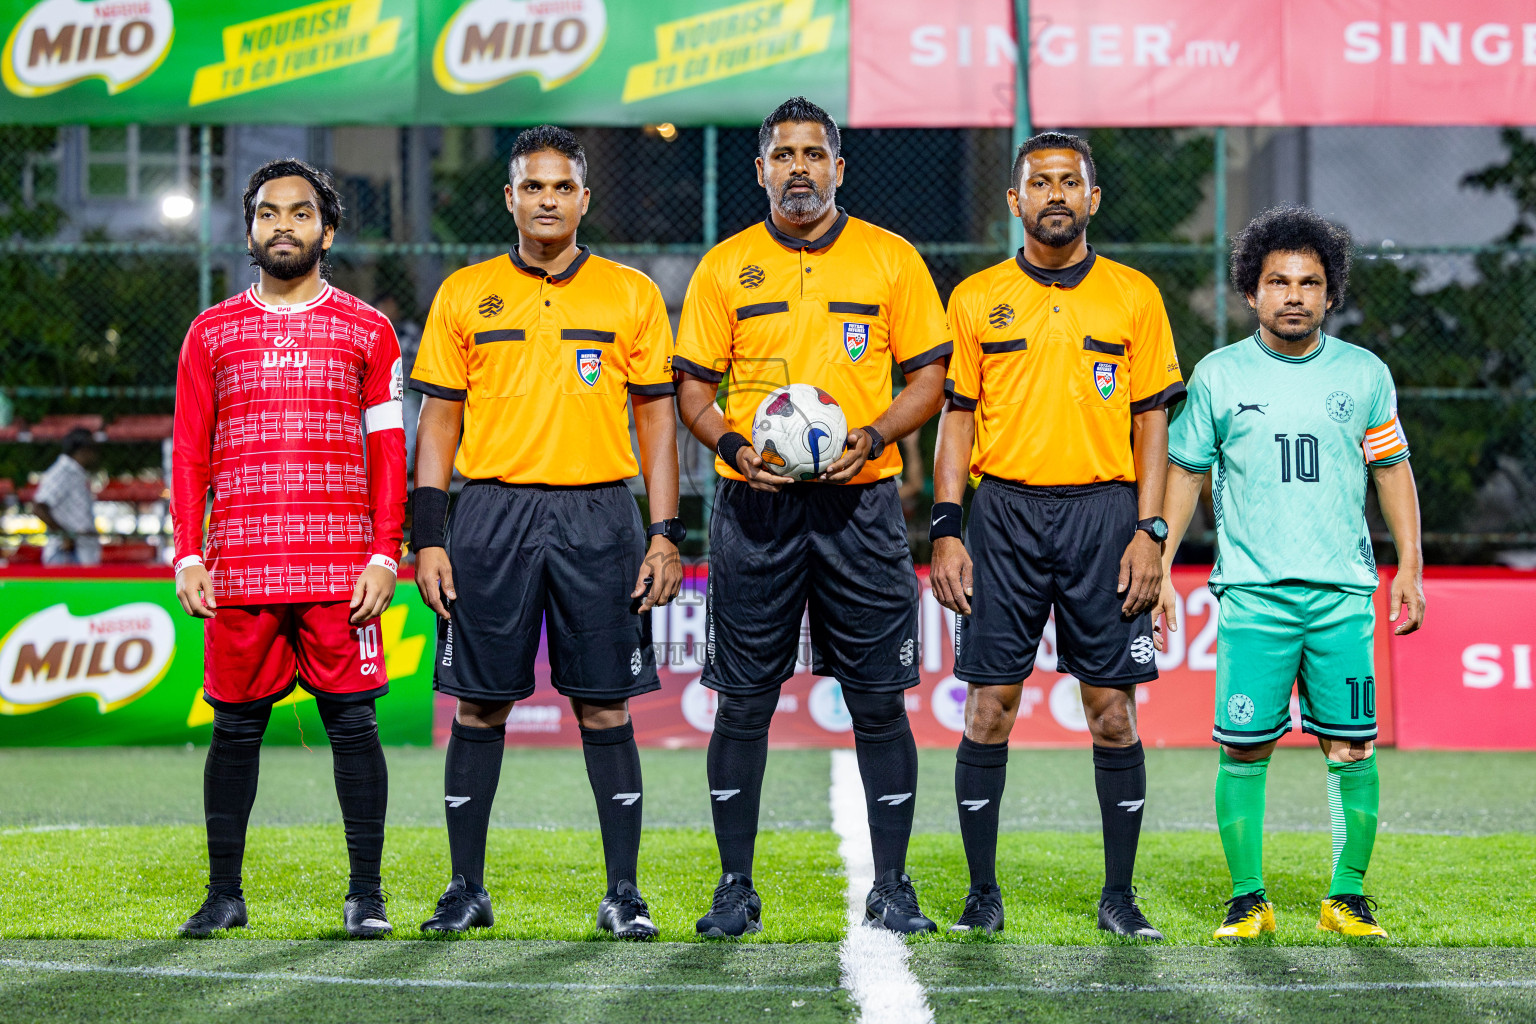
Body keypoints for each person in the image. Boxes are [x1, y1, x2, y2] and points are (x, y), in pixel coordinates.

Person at [674, 97, 951, 937]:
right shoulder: (725, 267)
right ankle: (734, 888)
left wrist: (870, 434)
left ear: (839, 167)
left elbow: (929, 381)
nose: (799, 168)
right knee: (744, 703)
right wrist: (730, 442)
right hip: (755, 506)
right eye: (783, 155)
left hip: (859, 507)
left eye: (813, 154)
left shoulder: (891, 259)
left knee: (877, 700)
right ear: (759, 171)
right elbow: (691, 391)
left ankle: (893, 885)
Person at [408, 125, 683, 940]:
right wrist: (429, 537)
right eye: (534, 187)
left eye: (563, 187)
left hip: (601, 515)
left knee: (605, 708)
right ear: (511, 198)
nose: (548, 200)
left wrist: (663, 532)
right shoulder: (465, 292)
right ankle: (465, 889)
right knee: (480, 708)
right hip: (489, 516)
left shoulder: (629, 294)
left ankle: (624, 893)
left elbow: (659, 425)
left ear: (584, 198)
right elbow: (437, 424)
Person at [931, 132, 1186, 939]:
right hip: (1003, 515)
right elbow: (956, 420)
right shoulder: (975, 297)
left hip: (1106, 518)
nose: (1054, 193)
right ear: (1015, 202)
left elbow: (1154, 422)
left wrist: (1151, 532)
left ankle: (1120, 897)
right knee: (989, 710)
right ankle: (982, 895)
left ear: (1093, 199)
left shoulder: (1135, 296)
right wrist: (947, 529)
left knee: (1112, 711)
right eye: (1038, 181)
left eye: (1069, 182)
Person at [1155, 206, 1425, 940]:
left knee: (1353, 746)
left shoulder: (1365, 375)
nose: (1295, 295)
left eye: (1310, 281)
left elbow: (1393, 472)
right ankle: (1248, 899)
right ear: (1252, 291)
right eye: (1278, 281)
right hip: (1253, 596)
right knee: (1243, 746)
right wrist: (1160, 564)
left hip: (1342, 597)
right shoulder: (1219, 375)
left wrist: (1412, 567)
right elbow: (1184, 475)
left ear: (1330, 293)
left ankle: (1346, 897)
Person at [170, 159, 407, 938]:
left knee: (354, 728)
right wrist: (187, 552)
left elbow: (387, 455)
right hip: (239, 564)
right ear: (249, 231)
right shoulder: (210, 332)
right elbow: (190, 454)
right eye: (267, 213)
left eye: (300, 213)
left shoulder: (369, 330)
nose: (282, 225)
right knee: (234, 730)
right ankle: (223, 895)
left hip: (342, 573)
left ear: (326, 231)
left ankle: (366, 894)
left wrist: (384, 554)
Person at [34, 427, 101, 566]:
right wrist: (63, 535)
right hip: (67, 554)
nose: (96, 454)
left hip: (81, 552)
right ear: (83, 450)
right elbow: (39, 507)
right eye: (93, 449)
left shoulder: (77, 473)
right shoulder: (62, 472)